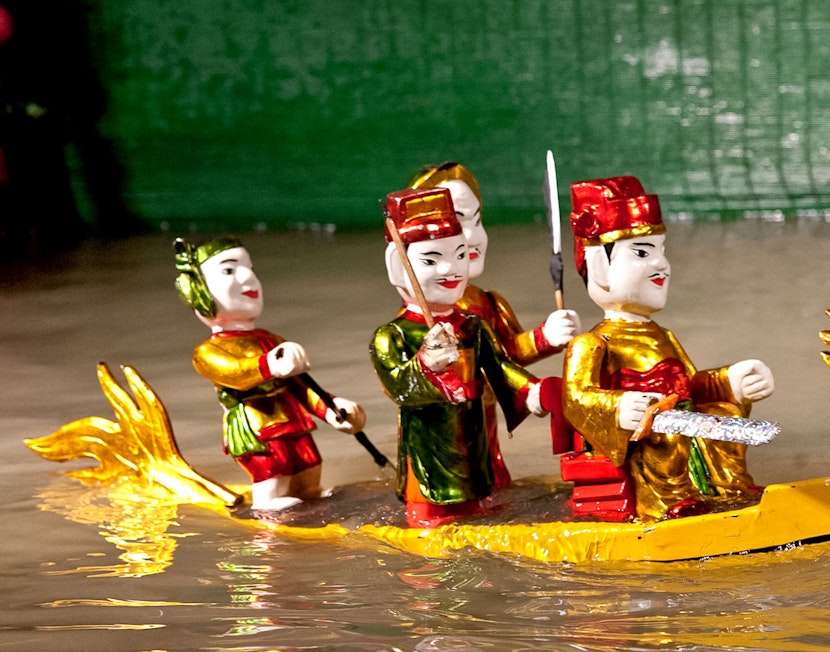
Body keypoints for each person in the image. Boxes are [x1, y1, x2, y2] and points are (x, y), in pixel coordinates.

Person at [562, 176, 775, 522]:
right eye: (643, 253)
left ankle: (728, 490)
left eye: (661, 251)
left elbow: (690, 386)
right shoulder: (591, 344)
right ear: (599, 266)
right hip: (645, 441)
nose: (661, 264)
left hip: (682, 422)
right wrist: (618, 407)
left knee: (724, 414)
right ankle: (667, 504)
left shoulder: (666, 336)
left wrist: (730, 381)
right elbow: (576, 400)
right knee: (664, 434)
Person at [370, 187, 545, 527]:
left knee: (475, 506)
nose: (451, 269)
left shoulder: (473, 326)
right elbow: (398, 387)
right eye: (432, 260)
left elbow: (501, 368)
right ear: (398, 265)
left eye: (460, 255)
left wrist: (532, 392)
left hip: (471, 438)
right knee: (431, 514)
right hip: (427, 447)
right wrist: (426, 365)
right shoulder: (393, 335)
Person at [408, 162, 580, 488]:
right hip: (440, 436)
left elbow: (506, 353)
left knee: (492, 480)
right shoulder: (420, 320)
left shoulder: (485, 302)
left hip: (485, 427)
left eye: (476, 221)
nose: (472, 237)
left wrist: (547, 336)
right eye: (457, 222)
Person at [174, 235, 365, 511]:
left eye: (249, 268)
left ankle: (308, 494)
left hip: (292, 418)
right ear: (197, 291)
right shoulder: (208, 352)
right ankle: (267, 508)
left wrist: (331, 409)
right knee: (273, 466)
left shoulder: (272, 339)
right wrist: (270, 365)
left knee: (307, 462)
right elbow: (237, 373)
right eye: (229, 270)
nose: (248, 279)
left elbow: (300, 386)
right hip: (257, 426)